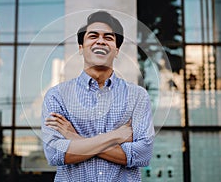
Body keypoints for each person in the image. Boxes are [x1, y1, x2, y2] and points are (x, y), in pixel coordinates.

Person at [41, 11, 154, 181]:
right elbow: (55, 153)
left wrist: (75, 139)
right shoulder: (57, 96)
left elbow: (142, 154)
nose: (100, 41)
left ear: (116, 50)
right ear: (81, 48)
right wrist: (116, 136)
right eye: (93, 36)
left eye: (108, 37)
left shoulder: (137, 96)